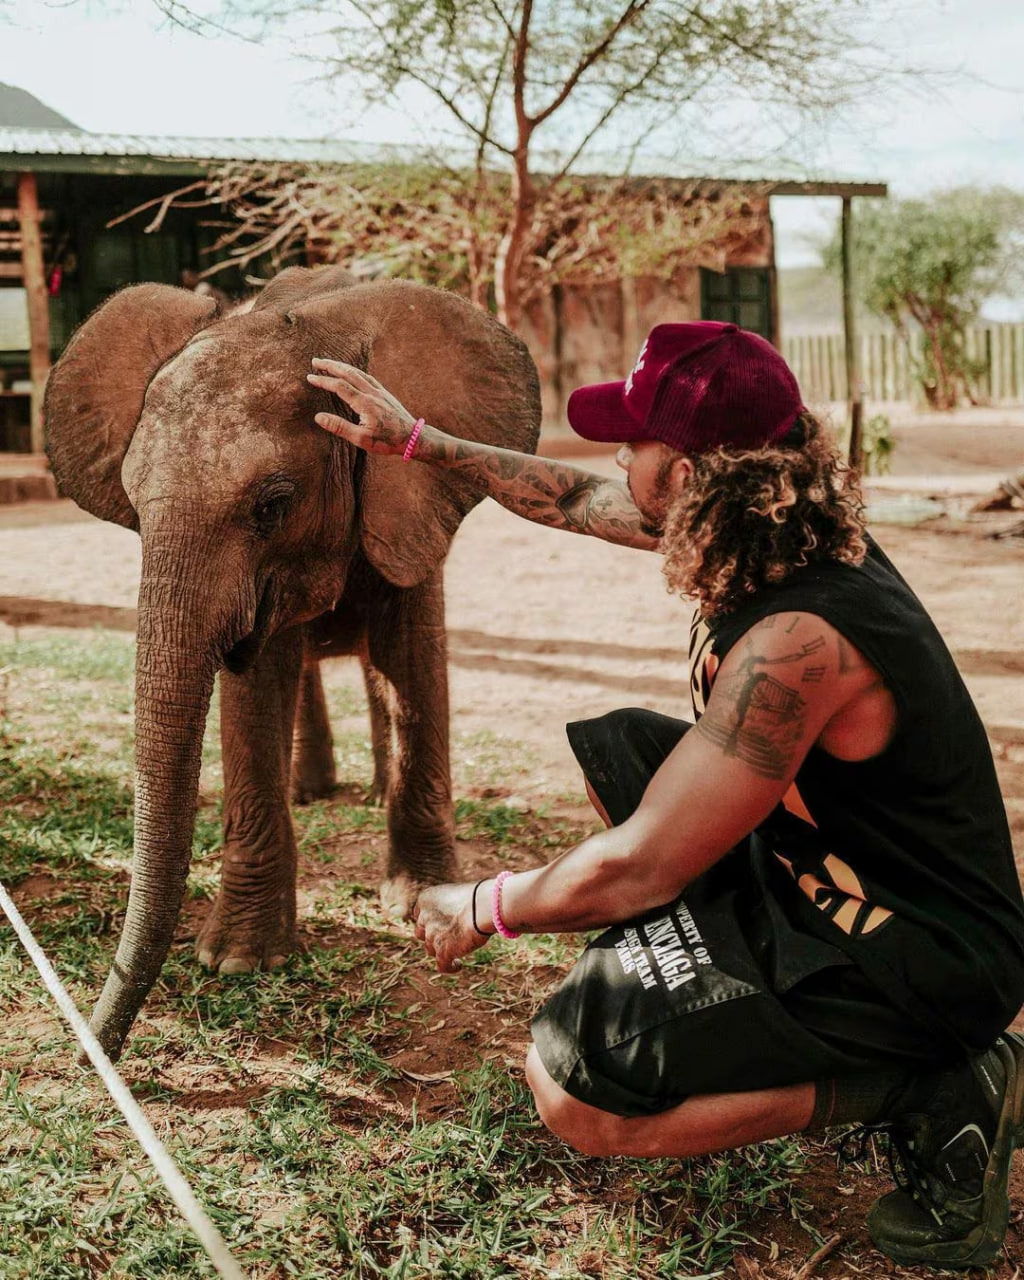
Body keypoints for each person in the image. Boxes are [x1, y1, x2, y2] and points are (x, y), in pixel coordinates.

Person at [307, 320, 1024, 1269]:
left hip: (920, 948)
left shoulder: (799, 641)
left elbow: (643, 864)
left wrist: (482, 906)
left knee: (575, 1087)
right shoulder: (779, 523)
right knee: (636, 753)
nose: (618, 453)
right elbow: (578, 498)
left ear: (687, 475)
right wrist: (421, 444)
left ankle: (935, 1087)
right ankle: (730, 982)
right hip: (832, 876)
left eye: (637, 438)